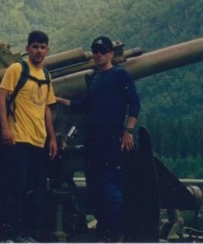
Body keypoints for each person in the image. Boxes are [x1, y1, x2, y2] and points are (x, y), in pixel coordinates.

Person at [57, 35, 140, 243]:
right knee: (94, 185)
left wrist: (128, 131)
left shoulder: (121, 76)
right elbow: (85, 107)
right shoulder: (95, 79)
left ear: (111, 54)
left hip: (112, 138)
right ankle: (103, 232)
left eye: (103, 51)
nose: (99, 55)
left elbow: (134, 104)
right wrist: (59, 100)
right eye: (95, 51)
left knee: (109, 186)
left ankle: (114, 234)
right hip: (94, 140)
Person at [0, 30, 60, 242]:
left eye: (43, 47)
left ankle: (29, 234)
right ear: (27, 48)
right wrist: (6, 129)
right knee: (15, 189)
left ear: (47, 50)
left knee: (34, 190)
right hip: (18, 138)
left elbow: (47, 109)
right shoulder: (17, 69)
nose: (39, 51)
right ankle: (10, 235)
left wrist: (52, 138)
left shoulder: (46, 75)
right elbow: (1, 99)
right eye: (35, 47)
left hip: (38, 140)